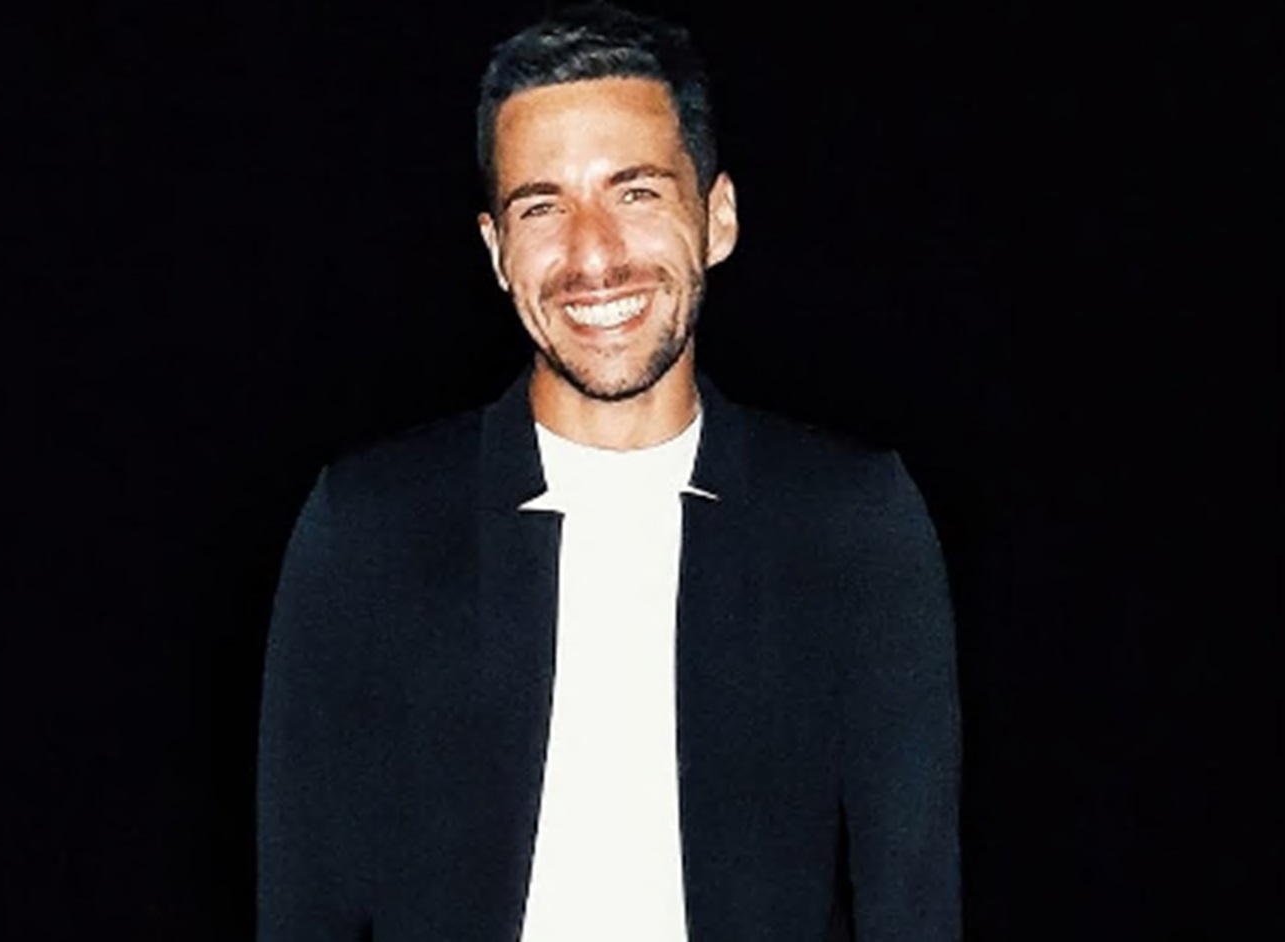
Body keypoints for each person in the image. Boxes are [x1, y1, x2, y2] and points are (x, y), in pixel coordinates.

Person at [256, 4, 960, 940]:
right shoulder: (371, 529)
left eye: (635, 193)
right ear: (497, 252)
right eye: (542, 206)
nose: (593, 256)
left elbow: (914, 908)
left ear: (717, 218)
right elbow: (304, 909)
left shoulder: (849, 524)